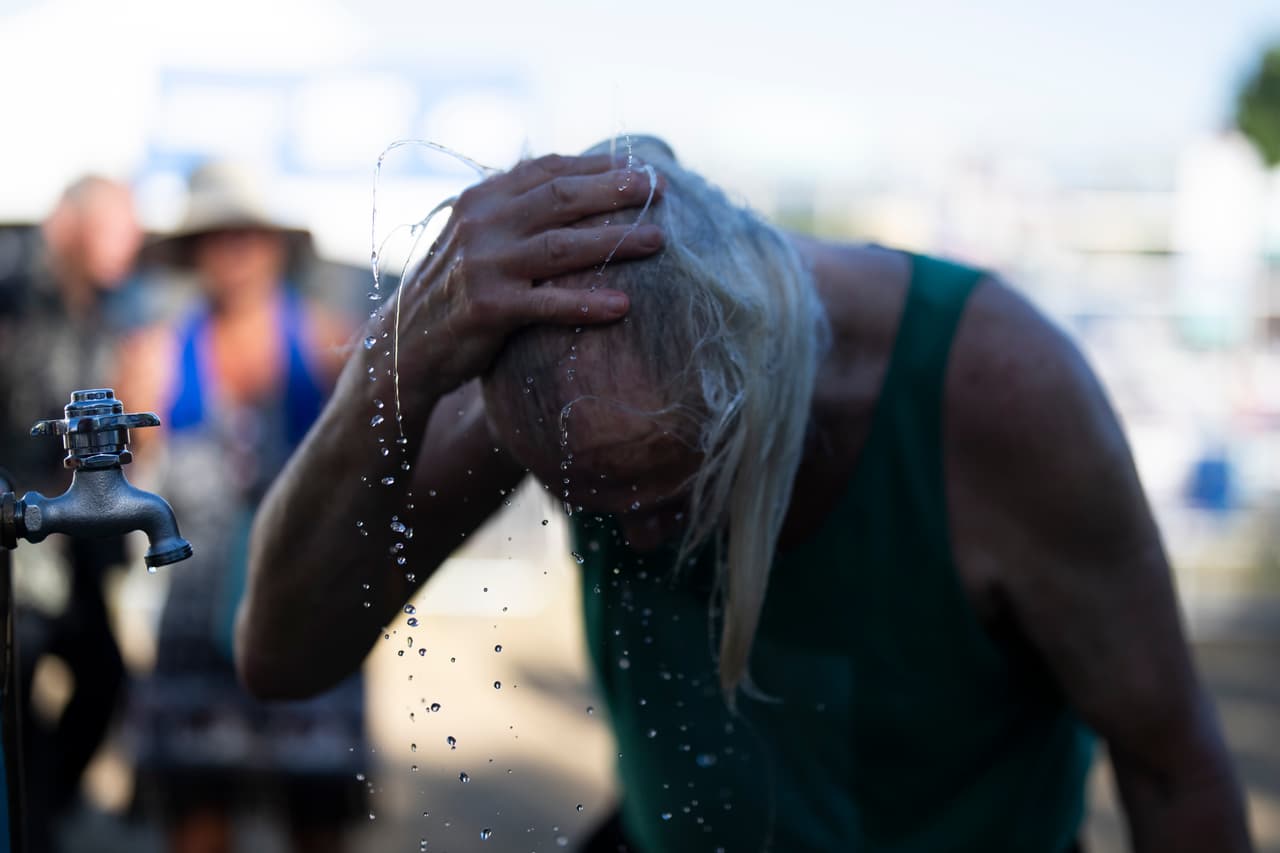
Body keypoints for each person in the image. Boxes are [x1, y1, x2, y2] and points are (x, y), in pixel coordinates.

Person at [235, 138, 1253, 852]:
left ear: (757, 389)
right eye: (585, 500)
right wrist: (388, 366)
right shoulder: (551, 378)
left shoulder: (996, 396)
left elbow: (1171, 768)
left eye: (670, 487)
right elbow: (280, 657)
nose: (633, 531)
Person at [117, 160, 362, 853]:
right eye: (217, 236)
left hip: (310, 617)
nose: (234, 251)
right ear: (195, 250)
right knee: (197, 824)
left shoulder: (329, 345)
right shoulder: (156, 358)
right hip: (195, 630)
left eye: (247, 235)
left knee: (317, 823)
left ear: (275, 244)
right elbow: (126, 480)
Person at [0, 175, 143, 851]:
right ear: (72, 224)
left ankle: (43, 813)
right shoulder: (16, 290)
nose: (132, 239)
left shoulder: (100, 308)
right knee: (17, 674)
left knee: (104, 676)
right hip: (17, 525)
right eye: (115, 224)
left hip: (68, 536)